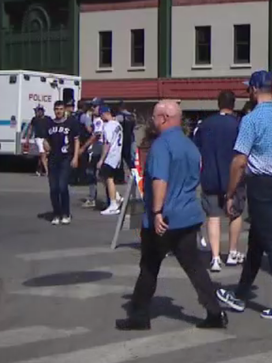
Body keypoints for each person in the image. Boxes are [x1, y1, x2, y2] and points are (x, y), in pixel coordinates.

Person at [116, 100, 226, 331]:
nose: (153, 122)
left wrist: (156, 212)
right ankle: (215, 311)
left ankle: (139, 315)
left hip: (165, 217)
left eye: (155, 117)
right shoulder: (190, 146)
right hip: (188, 215)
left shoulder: (161, 146)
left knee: (149, 266)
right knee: (194, 266)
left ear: (164, 118)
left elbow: (160, 180)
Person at [216, 70, 272, 321]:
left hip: (260, 182)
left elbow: (239, 161)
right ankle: (240, 295)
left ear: (253, 90)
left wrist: (230, 193)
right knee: (257, 243)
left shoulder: (251, 120)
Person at [196, 90, 246, 271]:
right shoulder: (239, 125)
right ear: (234, 104)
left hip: (210, 175)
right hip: (234, 177)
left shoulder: (205, 125)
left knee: (213, 216)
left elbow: (197, 149)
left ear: (218, 103)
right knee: (236, 213)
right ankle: (232, 252)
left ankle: (215, 257)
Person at [45, 100, 82, 225]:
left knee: (62, 186)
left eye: (61, 109)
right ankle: (56, 213)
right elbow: (45, 139)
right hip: (53, 159)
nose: (58, 111)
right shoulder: (50, 124)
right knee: (53, 188)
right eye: (56, 109)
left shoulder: (71, 123)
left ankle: (66, 213)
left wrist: (75, 157)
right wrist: (45, 144)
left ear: (64, 110)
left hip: (66, 158)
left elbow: (76, 140)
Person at [97, 106, 125, 215]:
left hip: (111, 156)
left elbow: (107, 143)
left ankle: (113, 204)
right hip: (117, 155)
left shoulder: (108, 126)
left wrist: (101, 159)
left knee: (109, 179)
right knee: (102, 176)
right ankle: (116, 197)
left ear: (105, 114)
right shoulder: (117, 124)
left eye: (101, 114)